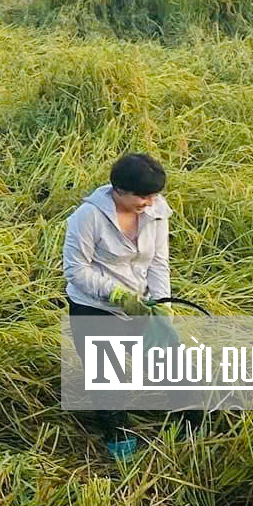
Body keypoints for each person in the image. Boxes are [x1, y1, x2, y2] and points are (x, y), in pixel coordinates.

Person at [64, 151, 173, 462]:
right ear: (119, 190)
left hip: (142, 305)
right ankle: (118, 438)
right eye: (143, 196)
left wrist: (161, 303)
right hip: (95, 308)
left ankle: (189, 422)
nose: (150, 203)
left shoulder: (156, 210)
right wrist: (117, 296)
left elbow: (159, 262)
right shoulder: (87, 218)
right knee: (108, 379)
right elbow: (76, 270)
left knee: (172, 361)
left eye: (154, 196)